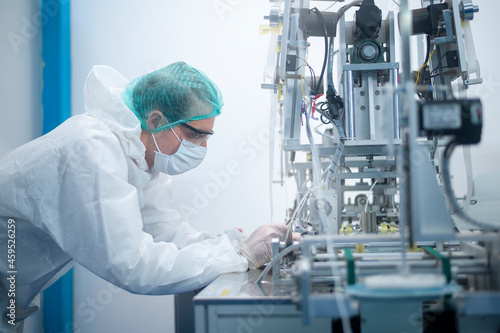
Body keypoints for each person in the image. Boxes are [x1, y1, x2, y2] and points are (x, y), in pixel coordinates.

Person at [0, 62, 298, 331]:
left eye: (208, 137)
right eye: (196, 135)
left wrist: (235, 244)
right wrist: (240, 255)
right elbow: (133, 265)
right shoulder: (92, 150)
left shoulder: (144, 160)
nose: (202, 148)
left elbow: (167, 234)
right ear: (155, 120)